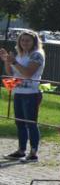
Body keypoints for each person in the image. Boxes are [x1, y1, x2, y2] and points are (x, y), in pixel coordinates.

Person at [0, 30, 45, 161]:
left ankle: (33, 153)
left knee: (31, 123)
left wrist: (14, 62)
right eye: (22, 40)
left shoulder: (37, 54)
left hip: (31, 93)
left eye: (28, 40)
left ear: (34, 42)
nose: (24, 43)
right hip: (18, 91)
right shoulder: (21, 54)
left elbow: (28, 74)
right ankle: (21, 150)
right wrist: (6, 60)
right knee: (19, 123)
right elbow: (11, 73)